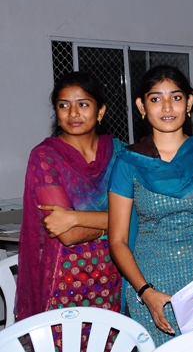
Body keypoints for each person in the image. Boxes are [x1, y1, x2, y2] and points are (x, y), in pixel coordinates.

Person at [108, 65, 193, 345]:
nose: (167, 107)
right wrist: (145, 292)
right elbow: (118, 240)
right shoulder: (129, 162)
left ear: (190, 102)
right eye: (156, 99)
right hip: (154, 284)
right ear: (141, 106)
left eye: (176, 97)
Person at [16, 72, 124, 348]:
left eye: (83, 104)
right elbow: (67, 234)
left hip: (119, 274)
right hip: (67, 278)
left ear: (101, 110)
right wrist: (120, 221)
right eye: (64, 105)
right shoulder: (45, 156)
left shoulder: (121, 153)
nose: (73, 113)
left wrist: (76, 217)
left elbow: (143, 214)